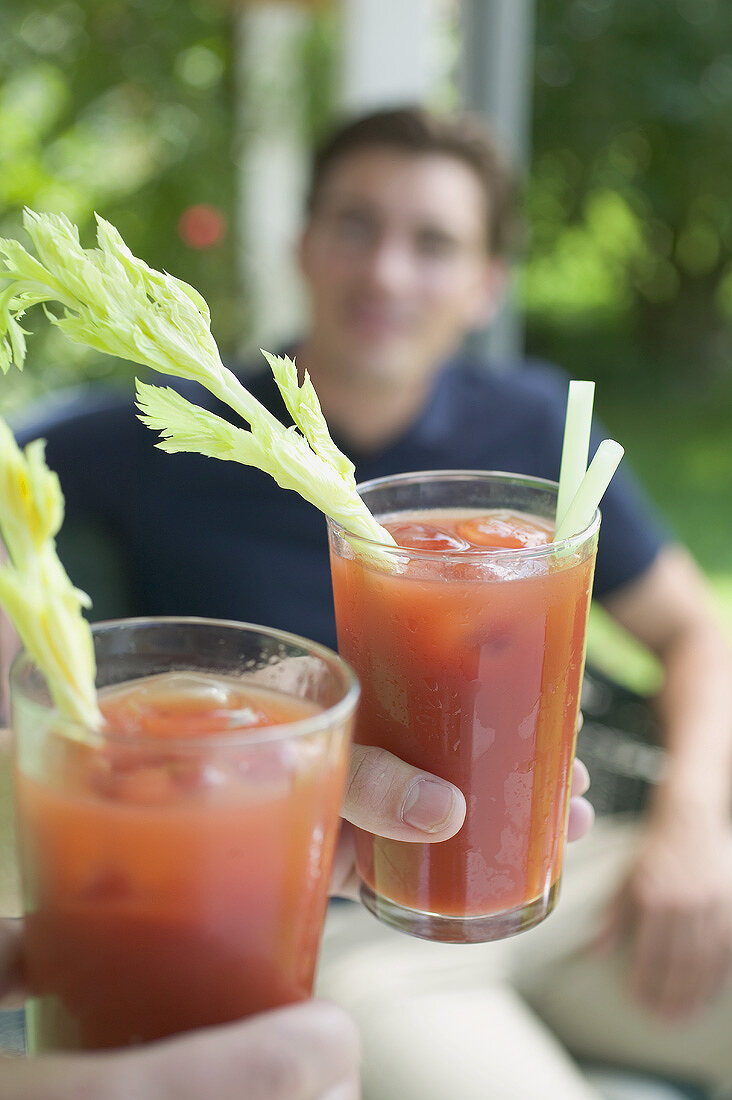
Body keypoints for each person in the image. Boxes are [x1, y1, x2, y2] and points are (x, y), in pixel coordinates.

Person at [1, 104, 730, 1095]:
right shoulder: (179, 424)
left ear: (485, 285)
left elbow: (694, 626)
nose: (386, 269)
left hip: (590, 867)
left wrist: (691, 828)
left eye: (433, 242)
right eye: (356, 224)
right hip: (352, 915)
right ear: (303, 244)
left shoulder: (528, 422)